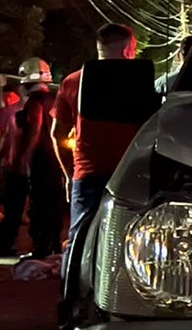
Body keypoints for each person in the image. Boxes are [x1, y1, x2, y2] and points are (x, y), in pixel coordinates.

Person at [52, 23, 158, 263]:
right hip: (132, 172)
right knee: (134, 239)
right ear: (129, 49)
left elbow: (57, 134)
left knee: (79, 238)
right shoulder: (140, 81)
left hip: (88, 173)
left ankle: (71, 293)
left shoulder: (72, 81)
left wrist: (70, 174)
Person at [0, 67, 65, 260]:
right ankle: (54, 244)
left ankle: (41, 247)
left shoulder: (34, 102)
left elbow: (35, 129)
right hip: (55, 157)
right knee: (53, 201)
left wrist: (25, 155)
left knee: (39, 203)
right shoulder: (56, 98)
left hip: (40, 158)